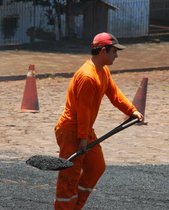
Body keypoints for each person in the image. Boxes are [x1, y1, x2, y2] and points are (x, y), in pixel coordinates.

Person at [54, 32, 144, 209]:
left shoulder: (103, 71)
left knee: (96, 167)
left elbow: (115, 95)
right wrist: (83, 139)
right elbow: (83, 111)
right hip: (72, 131)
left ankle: (75, 207)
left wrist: (132, 111)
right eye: (114, 52)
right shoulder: (88, 77)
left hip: (84, 130)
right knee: (69, 178)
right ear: (103, 51)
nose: (116, 55)